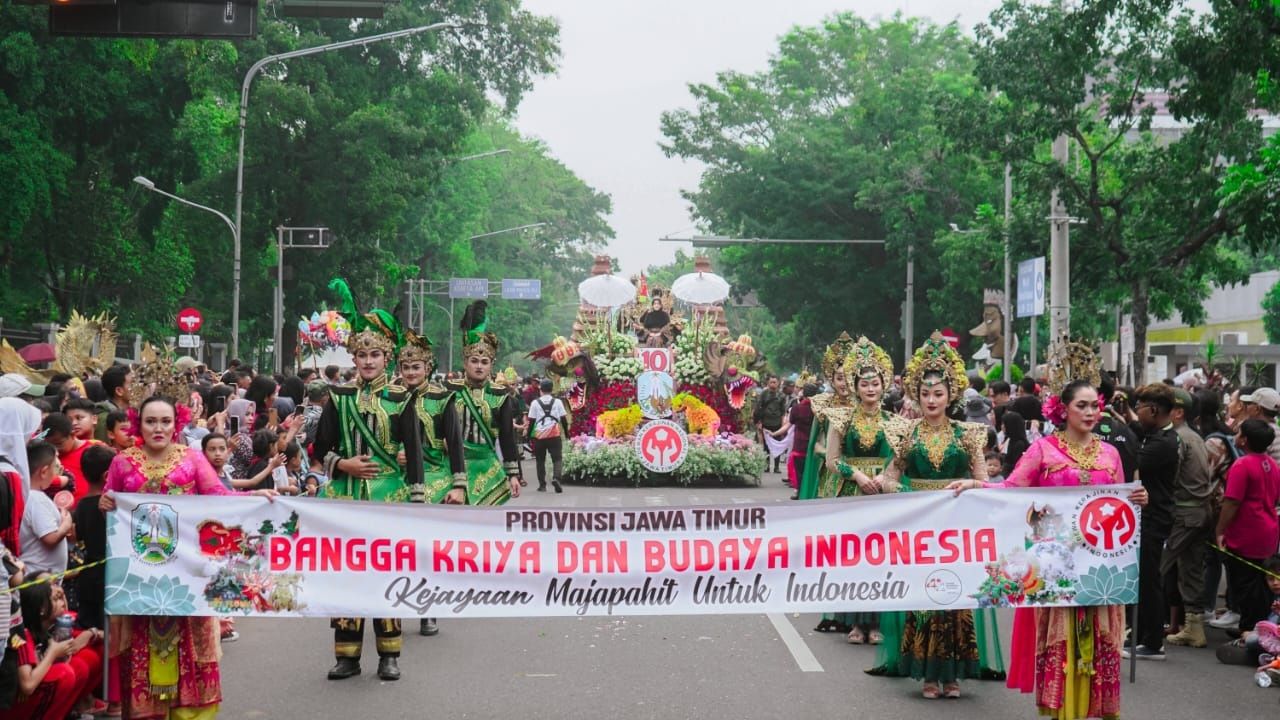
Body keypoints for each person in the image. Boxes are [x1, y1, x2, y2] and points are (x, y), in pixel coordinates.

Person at [950, 377, 1149, 720]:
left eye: (1094, 405)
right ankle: (1064, 712)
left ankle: (1091, 711)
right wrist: (975, 484)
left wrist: (1139, 498)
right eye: (1081, 406)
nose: (1090, 412)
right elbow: (1012, 489)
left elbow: (1118, 503)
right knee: (1062, 640)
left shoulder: (1110, 453)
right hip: (1056, 567)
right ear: (1063, 410)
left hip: (1100, 566)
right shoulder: (1043, 449)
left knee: (1100, 639)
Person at [99, 395, 275, 718]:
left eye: (165, 421)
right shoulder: (122, 462)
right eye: (150, 421)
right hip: (139, 581)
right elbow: (111, 506)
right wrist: (105, 505)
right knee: (140, 647)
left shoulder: (192, 459)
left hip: (187, 575)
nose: (158, 428)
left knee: (192, 645)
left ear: (177, 422)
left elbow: (220, 498)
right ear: (138, 423)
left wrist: (255, 497)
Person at [875, 332, 997, 698]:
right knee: (926, 598)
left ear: (951, 396)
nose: (931, 400)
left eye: (938, 393)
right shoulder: (906, 434)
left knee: (957, 598)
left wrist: (966, 486)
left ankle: (954, 674)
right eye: (925, 393)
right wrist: (906, 492)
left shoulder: (969, 435)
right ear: (916, 394)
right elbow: (889, 478)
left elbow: (985, 482)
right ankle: (928, 674)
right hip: (921, 529)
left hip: (958, 529)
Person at [313, 279, 424, 681]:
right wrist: (343, 465)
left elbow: (414, 454)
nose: (368, 362)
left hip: (388, 498)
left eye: (375, 354)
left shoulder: (400, 400)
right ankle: (346, 655)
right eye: (362, 355)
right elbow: (319, 446)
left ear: (388, 356)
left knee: (385, 574)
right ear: (353, 357)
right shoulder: (338, 398)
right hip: (345, 496)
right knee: (346, 575)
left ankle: (389, 653)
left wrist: (417, 500)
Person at [819, 336, 900, 646]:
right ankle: (854, 622)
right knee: (854, 559)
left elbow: (899, 458)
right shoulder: (840, 419)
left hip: (881, 495)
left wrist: (884, 478)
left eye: (875, 383)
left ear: (884, 385)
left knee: (882, 559)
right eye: (864, 383)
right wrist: (857, 475)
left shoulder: (895, 422)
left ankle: (877, 620)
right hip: (851, 494)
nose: (870, 388)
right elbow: (831, 460)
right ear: (854, 386)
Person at [447, 300, 522, 506]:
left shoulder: (500, 395)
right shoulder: (450, 392)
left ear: (491, 365)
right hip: (453, 466)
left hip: (487, 466)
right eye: (474, 361)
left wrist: (512, 474)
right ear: (465, 362)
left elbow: (507, 437)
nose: (479, 366)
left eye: (484, 362)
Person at [1126, 382, 1180, 661]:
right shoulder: (1157, 435)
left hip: (1155, 516)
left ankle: (1153, 642)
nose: (1137, 413)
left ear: (1154, 409)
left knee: (1149, 579)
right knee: (1143, 577)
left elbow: (1132, 462)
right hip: (1147, 515)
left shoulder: (1164, 443)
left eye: (1140, 408)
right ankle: (1141, 634)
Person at [1215, 419, 1280, 635]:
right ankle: (1257, 626)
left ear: (1244, 439)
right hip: (1268, 531)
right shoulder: (1272, 464)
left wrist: (1220, 530)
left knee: (1244, 584)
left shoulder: (1242, 465)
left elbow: (1232, 501)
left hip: (1246, 533)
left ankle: (1249, 630)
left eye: (1239, 431)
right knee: (1263, 584)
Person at [9, 575, 104, 720]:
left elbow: (108, 636)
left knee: (79, 665)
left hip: (29, 698)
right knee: (64, 672)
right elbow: (27, 686)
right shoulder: (24, 635)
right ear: (41, 609)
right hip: (14, 707)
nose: (61, 602)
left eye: (61, 596)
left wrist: (90, 633)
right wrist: (52, 653)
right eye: (55, 599)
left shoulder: (51, 627)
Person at [1164, 388, 1215, 648]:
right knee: (1191, 569)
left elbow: (1171, 477)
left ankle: (1143, 626)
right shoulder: (1195, 436)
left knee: (1158, 566)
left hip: (1184, 512)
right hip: (1200, 512)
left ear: (1178, 411)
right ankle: (1194, 628)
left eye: (1164, 406)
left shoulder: (1177, 438)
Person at [797, 332, 858, 509]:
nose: (844, 383)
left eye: (849, 377)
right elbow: (815, 444)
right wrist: (832, 456)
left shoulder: (863, 407)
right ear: (831, 379)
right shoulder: (823, 405)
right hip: (830, 473)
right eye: (840, 378)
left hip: (859, 471)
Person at [71, 445, 114, 633]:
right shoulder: (112, 507)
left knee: (89, 628)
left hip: (89, 575)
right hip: (110, 575)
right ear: (107, 476)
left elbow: (77, 535)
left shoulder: (80, 506)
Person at [19, 442, 70, 576]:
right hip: (38, 577)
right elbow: (50, 538)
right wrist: (66, 524)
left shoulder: (28, 496)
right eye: (55, 467)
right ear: (44, 471)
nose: (57, 473)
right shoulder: (36, 499)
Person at [528, 379, 569, 494]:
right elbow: (564, 420)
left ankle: (542, 485)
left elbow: (531, 421)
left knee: (540, 461)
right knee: (557, 459)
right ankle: (556, 478)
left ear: (540, 389)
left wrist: (528, 436)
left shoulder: (535, 403)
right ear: (552, 390)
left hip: (540, 437)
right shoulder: (558, 402)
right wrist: (566, 433)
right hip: (554, 435)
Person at [754, 376, 788, 473]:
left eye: (775, 382)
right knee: (766, 446)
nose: (773, 384)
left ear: (778, 383)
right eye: (771, 382)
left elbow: (783, 412)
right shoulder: (764, 394)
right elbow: (759, 408)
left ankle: (776, 467)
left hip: (777, 424)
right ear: (768, 383)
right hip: (766, 422)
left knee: (777, 445)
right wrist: (759, 422)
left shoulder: (781, 396)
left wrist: (782, 425)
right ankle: (767, 465)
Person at [93, 364, 133, 442]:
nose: (140, 386)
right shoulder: (104, 418)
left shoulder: (134, 412)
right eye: (133, 383)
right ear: (119, 391)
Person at [1000, 410, 1030, 478]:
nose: (1002, 426)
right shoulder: (1009, 439)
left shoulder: (1019, 444)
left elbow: (1011, 465)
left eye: (1004, 424)